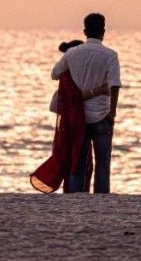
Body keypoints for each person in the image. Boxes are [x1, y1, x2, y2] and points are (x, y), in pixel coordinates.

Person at [50, 13, 122, 194]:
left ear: (84, 31)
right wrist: (112, 113)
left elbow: (55, 74)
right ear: (103, 32)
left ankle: (76, 198)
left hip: (78, 118)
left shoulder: (72, 53)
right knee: (103, 163)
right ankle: (101, 199)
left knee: (78, 162)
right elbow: (114, 85)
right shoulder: (111, 55)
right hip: (101, 116)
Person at [30, 39, 110, 194]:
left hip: (72, 123)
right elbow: (72, 98)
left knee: (79, 161)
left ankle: (75, 194)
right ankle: (75, 194)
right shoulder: (67, 76)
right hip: (73, 124)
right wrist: (98, 91)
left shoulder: (72, 74)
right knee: (77, 162)